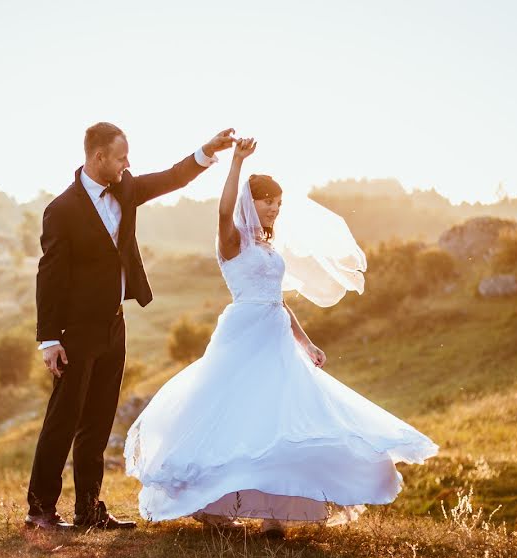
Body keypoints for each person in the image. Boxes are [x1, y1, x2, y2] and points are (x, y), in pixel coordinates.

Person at [123, 138, 439, 537]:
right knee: (234, 417)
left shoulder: (269, 249)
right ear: (248, 204)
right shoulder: (232, 239)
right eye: (266, 201)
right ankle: (217, 513)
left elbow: (278, 301)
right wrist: (236, 161)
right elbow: (223, 209)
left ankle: (276, 513)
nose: (273, 207)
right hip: (241, 336)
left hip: (274, 335)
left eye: (277, 202)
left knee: (279, 419)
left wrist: (305, 342)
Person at [26, 122, 236, 530]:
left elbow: (171, 178)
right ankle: (39, 511)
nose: (128, 164)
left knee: (99, 420)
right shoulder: (62, 210)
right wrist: (49, 340)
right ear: (98, 157)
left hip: (113, 326)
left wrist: (207, 151)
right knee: (63, 420)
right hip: (74, 332)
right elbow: (48, 276)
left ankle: (88, 511)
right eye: (121, 157)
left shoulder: (125, 189)